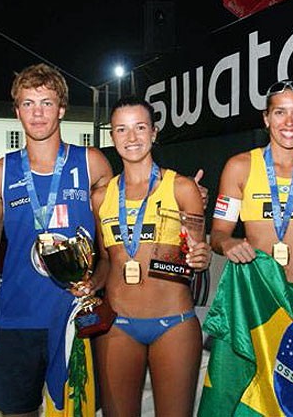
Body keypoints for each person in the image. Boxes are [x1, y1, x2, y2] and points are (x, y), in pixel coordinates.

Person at [0, 63, 113, 416]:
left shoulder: (92, 164)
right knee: (17, 413)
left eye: (46, 102)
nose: (37, 112)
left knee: (79, 412)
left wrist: (96, 282)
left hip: (76, 315)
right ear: (16, 112)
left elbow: (108, 252)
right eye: (28, 103)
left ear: (61, 109)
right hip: (19, 316)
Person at [89, 96, 212, 416]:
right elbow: (105, 260)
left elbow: (196, 253)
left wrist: (201, 256)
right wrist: (88, 284)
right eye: (122, 129)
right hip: (117, 325)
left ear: (154, 132)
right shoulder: (100, 198)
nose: (132, 138)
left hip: (174, 323)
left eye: (140, 127)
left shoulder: (183, 188)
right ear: (112, 136)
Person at [211, 79, 293, 284]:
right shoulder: (239, 167)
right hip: (259, 297)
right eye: (280, 112)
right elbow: (218, 234)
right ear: (266, 118)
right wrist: (228, 243)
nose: (289, 122)